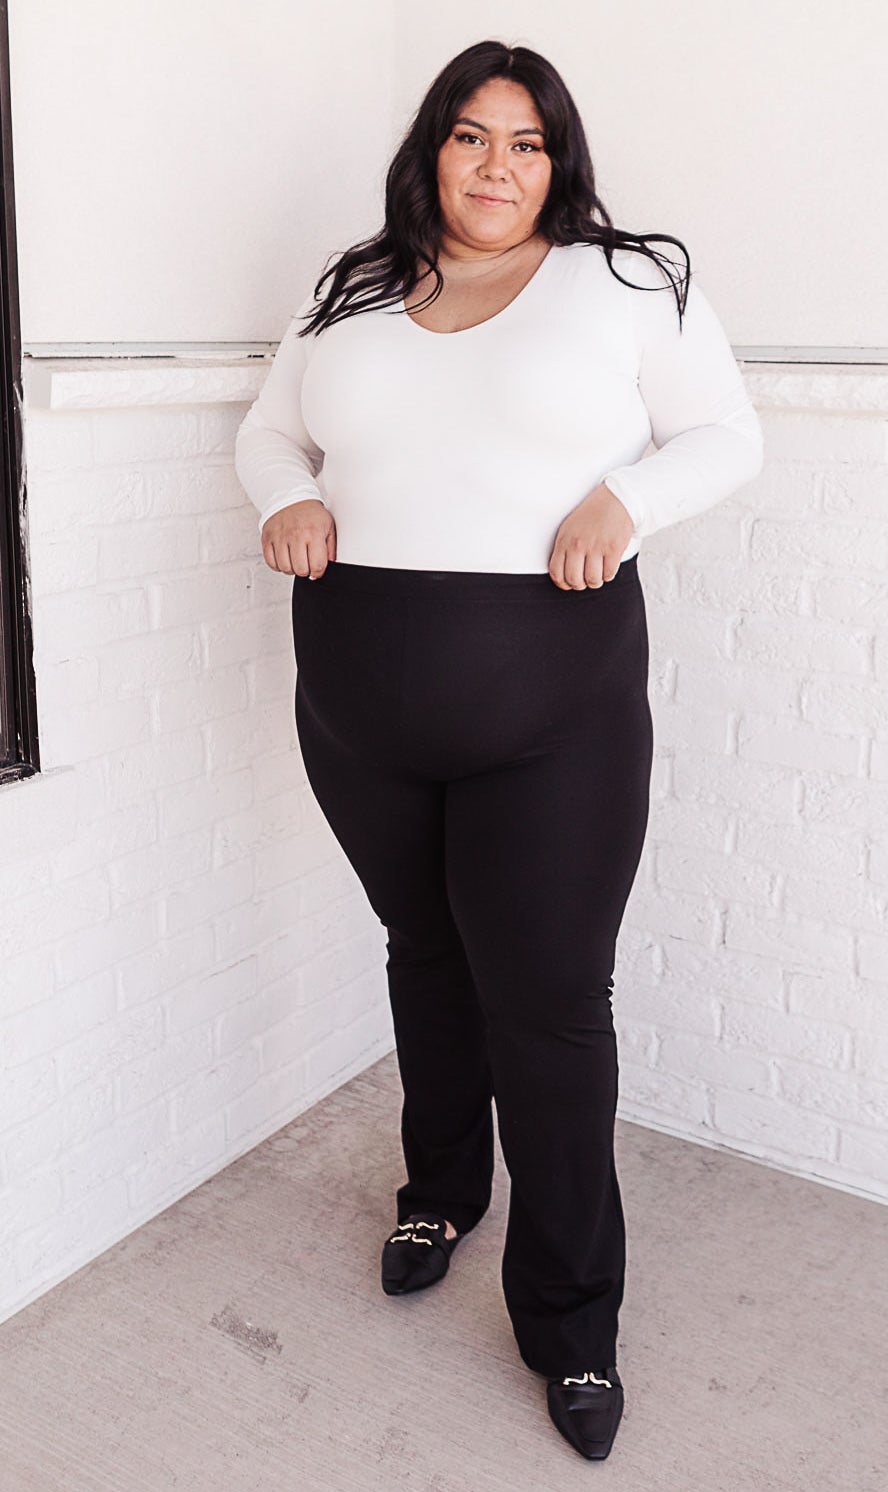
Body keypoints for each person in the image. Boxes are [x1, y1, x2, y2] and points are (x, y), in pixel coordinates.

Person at [234, 38, 763, 1462]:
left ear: (559, 160)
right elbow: (269, 435)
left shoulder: (629, 280)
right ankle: (441, 1193)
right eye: (471, 136)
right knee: (426, 954)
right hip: (360, 706)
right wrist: (286, 502)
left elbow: (727, 435)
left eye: (526, 143)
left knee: (550, 1004)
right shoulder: (351, 287)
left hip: (554, 714)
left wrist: (627, 500)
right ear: (433, 148)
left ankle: (574, 1321)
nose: (496, 165)